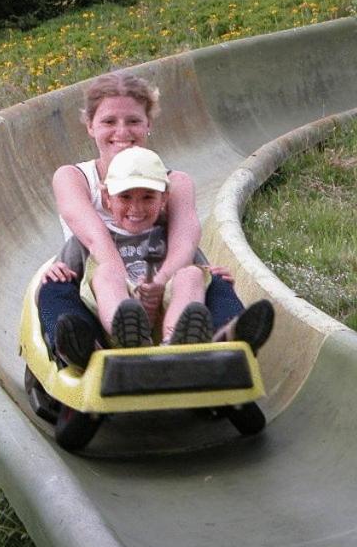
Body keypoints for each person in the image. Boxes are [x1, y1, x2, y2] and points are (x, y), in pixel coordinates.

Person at [37, 71, 273, 369]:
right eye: (109, 121)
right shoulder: (74, 177)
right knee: (53, 287)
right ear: (90, 126)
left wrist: (159, 285)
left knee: (212, 280)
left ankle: (224, 337)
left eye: (133, 121)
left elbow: (185, 241)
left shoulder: (175, 182)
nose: (122, 131)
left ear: (148, 124)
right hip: (99, 286)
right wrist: (128, 290)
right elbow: (95, 237)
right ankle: (83, 348)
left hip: (163, 287)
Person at [55, 146, 214, 356]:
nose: (136, 208)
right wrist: (53, 273)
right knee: (105, 272)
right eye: (125, 197)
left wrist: (213, 275)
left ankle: (177, 341)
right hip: (112, 319)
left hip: (164, 314)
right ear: (107, 199)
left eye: (148, 197)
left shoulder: (172, 239)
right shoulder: (86, 242)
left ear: (164, 199)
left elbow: (205, 272)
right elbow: (54, 290)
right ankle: (128, 336)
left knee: (191, 274)